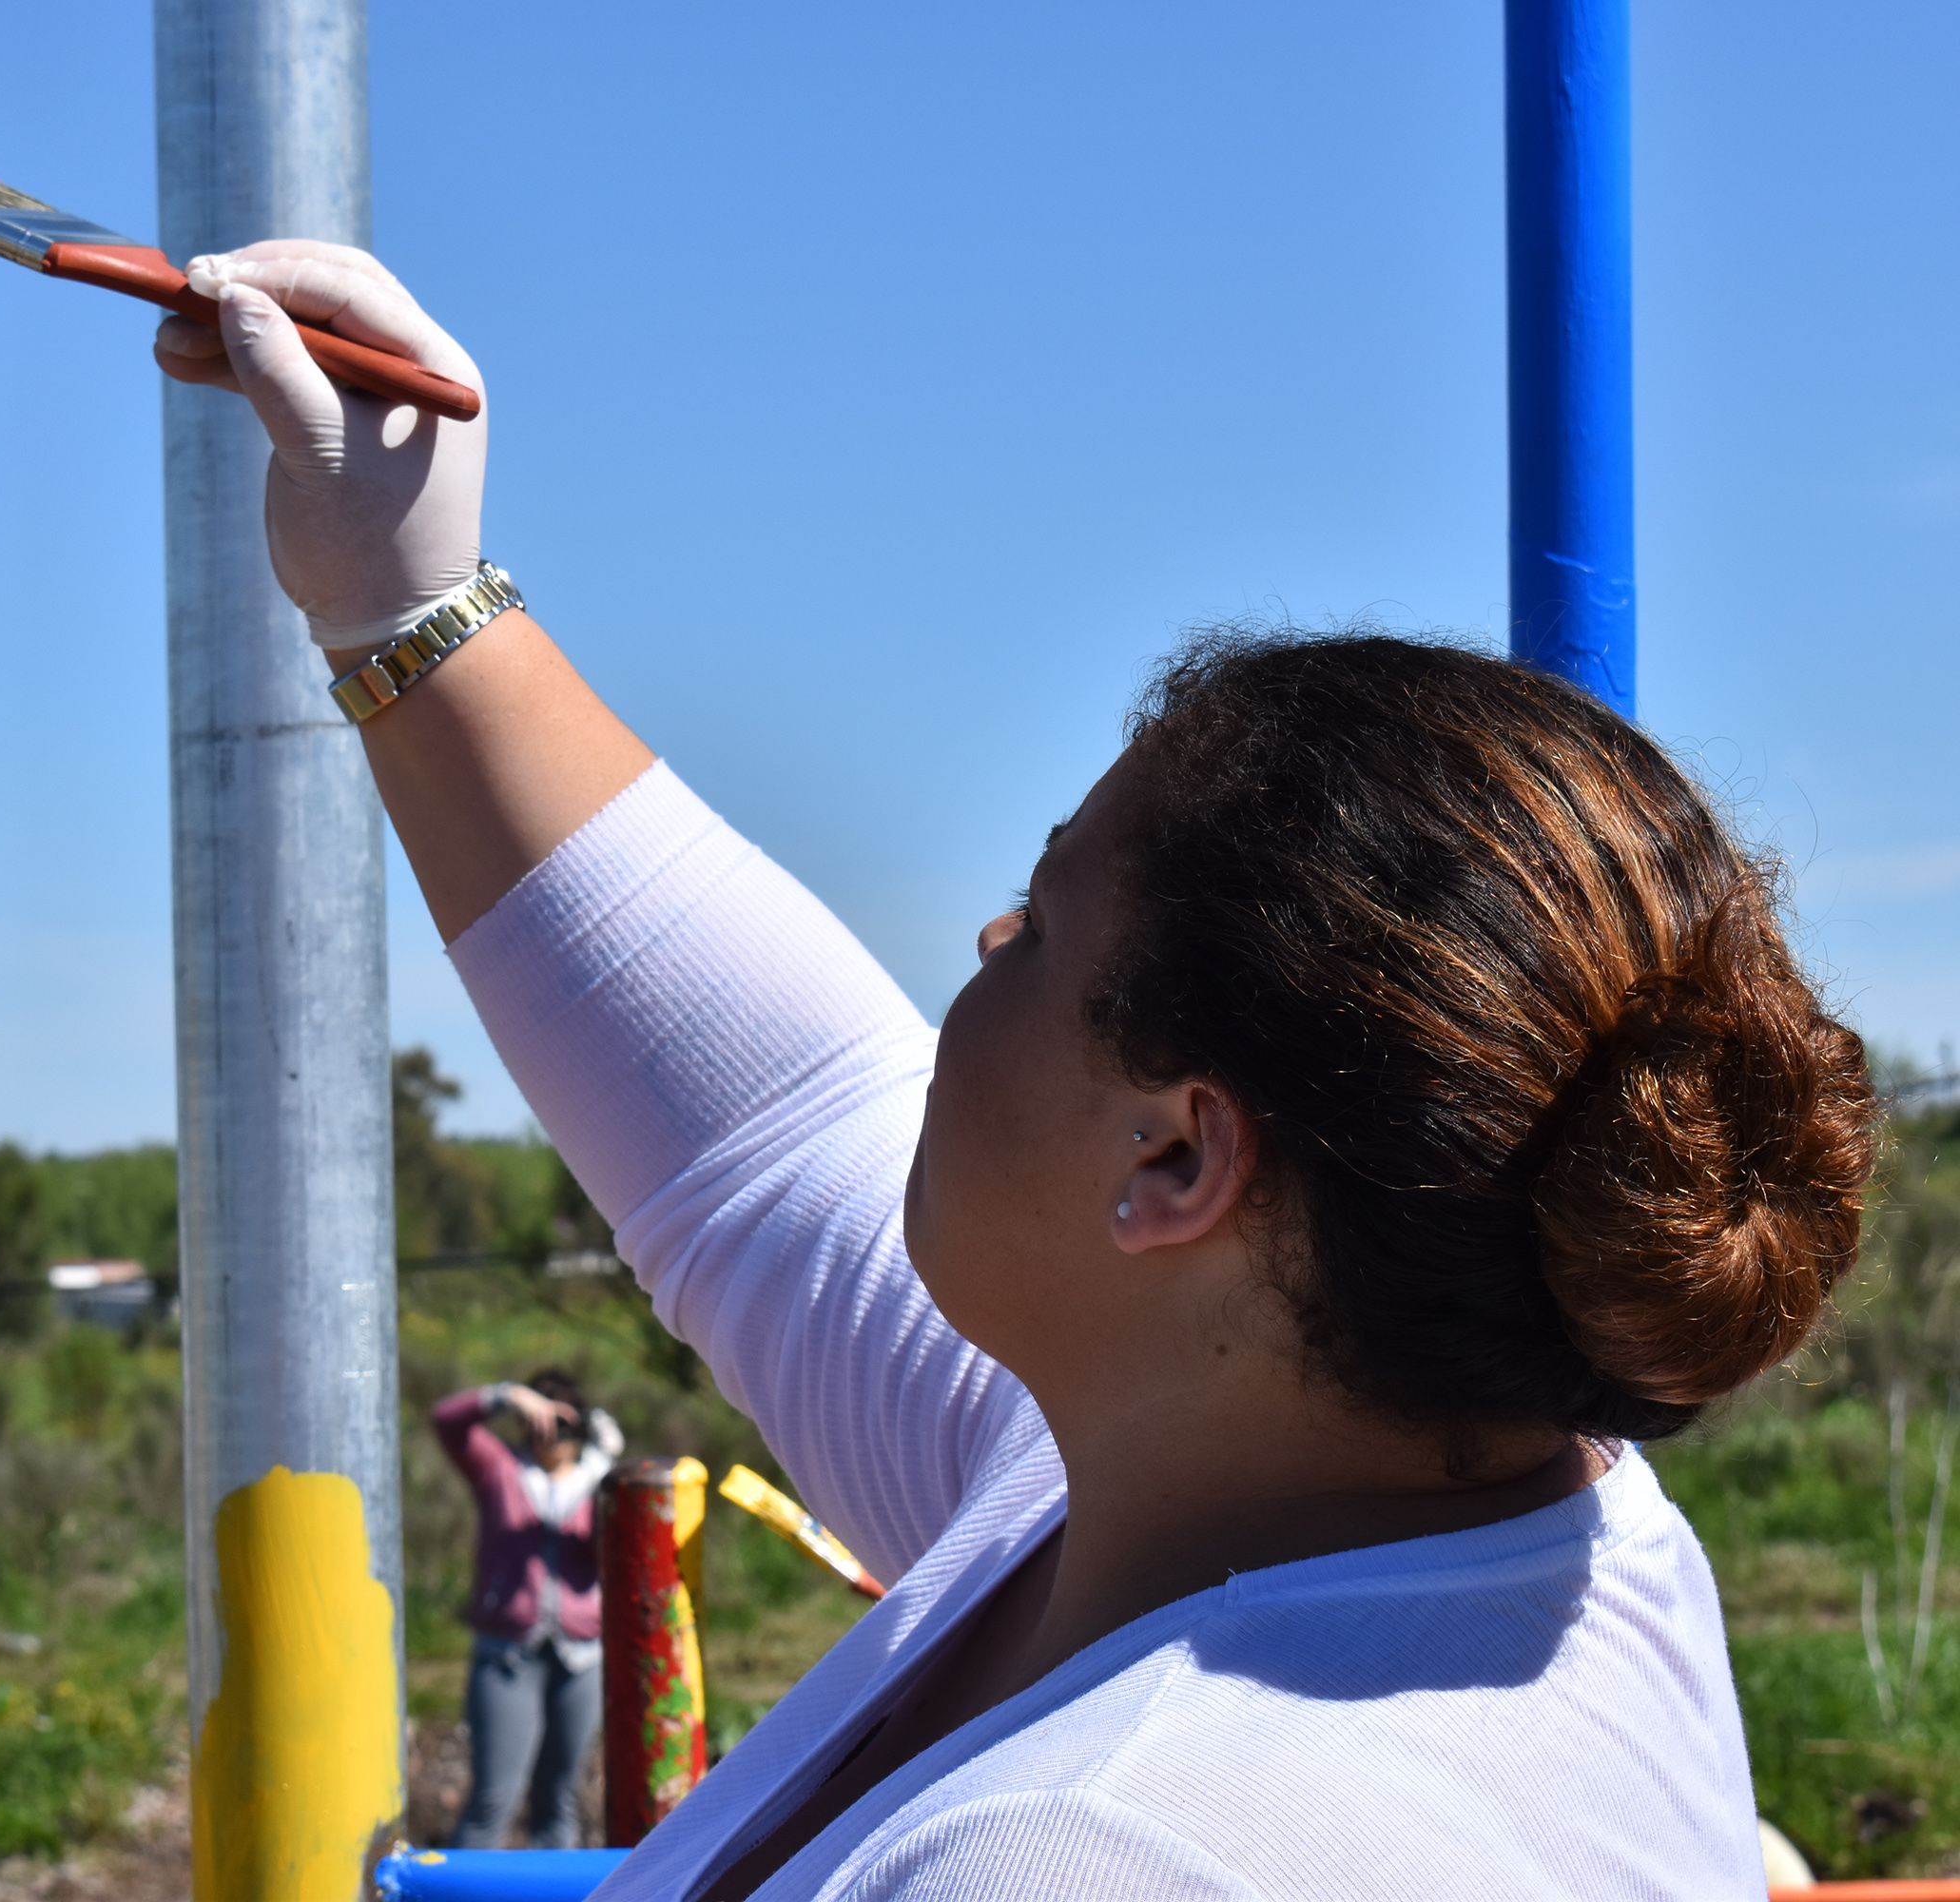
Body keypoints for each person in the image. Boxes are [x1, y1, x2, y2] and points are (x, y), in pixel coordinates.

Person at [152, 249, 1874, 1898]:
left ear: (1180, 1164)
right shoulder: (1459, 1512)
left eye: (1043, 924)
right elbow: (772, 1124)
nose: (982, 944)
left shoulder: (1094, 1857)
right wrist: (408, 589)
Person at [432, 1370, 626, 1848]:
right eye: (542, 1420)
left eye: (563, 1424)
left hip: (580, 1657)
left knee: (560, 1801)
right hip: (508, 1656)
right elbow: (446, 1422)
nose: (551, 1435)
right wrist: (507, 1397)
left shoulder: (600, 1481)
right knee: (494, 1798)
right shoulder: (500, 1469)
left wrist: (605, 1458)